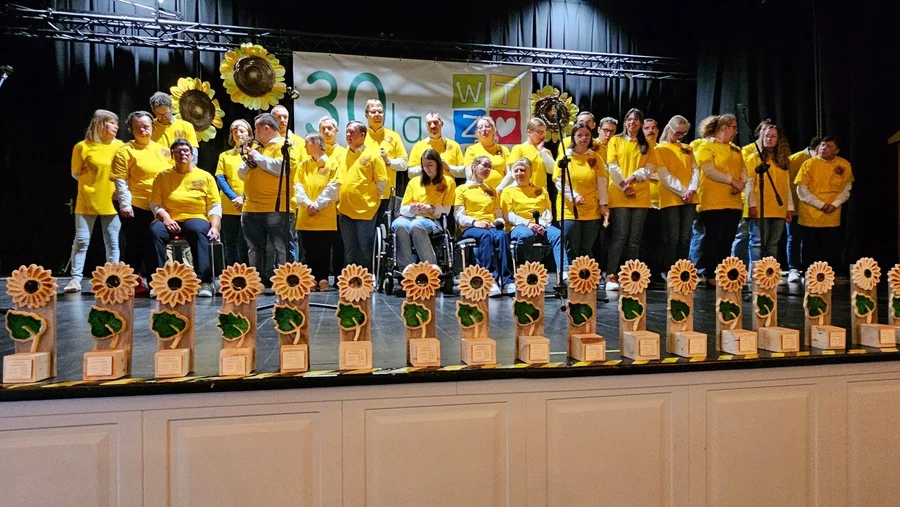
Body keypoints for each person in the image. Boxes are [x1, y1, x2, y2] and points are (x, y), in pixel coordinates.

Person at [110, 111, 173, 296]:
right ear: (131, 129)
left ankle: (155, 284)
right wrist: (125, 204)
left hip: (157, 205)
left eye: (145, 126)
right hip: (134, 204)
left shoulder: (163, 150)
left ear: (152, 127)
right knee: (135, 244)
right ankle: (130, 283)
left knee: (152, 243)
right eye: (137, 127)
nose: (142, 130)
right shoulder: (125, 150)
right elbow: (120, 180)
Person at [149, 138, 221, 297]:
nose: (182, 154)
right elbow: (155, 204)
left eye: (186, 151)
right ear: (172, 155)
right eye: (177, 151)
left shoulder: (205, 176)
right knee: (155, 231)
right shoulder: (162, 176)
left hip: (196, 217)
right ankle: (158, 282)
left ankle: (204, 282)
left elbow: (214, 205)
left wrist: (215, 226)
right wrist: (166, 218)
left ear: (192, 154)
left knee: (196, 230)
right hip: (169, 218)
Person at [64, 109, 124, 293]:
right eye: (112, 122)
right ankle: (75, 279)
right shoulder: (82, 147)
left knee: (112, 241)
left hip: (112, 200)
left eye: (116, 123)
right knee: (82, 240)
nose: (116, 127)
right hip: (88, 199)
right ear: (100, 123)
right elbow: (75, 173)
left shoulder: (120, 146)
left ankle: (112, 278)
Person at [238, 112, 301, 278]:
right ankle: (257, 281)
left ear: (266, 128)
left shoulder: (286, 146)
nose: (254, 133)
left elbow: (284, 168)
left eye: (256, 129)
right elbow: (240, 174)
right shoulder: (258, 148)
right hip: (251, 207)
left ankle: (286, 282)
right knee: (254, 248)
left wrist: (258, 158)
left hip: (276, 207)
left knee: (282, 248)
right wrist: (249, 161)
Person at [605, 108, 659, 291]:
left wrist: (634, 177)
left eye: (636, 119)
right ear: (625, 122)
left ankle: (631, 275)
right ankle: (611, 274)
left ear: (641, 123)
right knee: (620, 236)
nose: (632, 122)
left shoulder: (647, 144)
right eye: (629, 119)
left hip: (640, 195)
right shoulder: (616, 140)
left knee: (635, 239)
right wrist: (624, 186)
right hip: (620, 194)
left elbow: (649, 168)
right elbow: (612, 166)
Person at [695, 114, 747, 286]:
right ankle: (710, 274)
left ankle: (723, 273)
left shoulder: (735, 149)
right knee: (713, 238)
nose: (736, 131)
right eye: (734, 127)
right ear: (724, 128)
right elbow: (709, 170)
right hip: (713, 201)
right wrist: (732, 181)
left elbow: (744, 170)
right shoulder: (706, 146)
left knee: (728, 239)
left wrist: (741, 183)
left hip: (733, 201)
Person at [455, 156, 514, 295]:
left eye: (490, 167)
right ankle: (490, 279)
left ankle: (507, 281)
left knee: (502, 235)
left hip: (490, 225)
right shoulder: (462, 189)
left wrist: (496, 222)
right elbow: (458, 216)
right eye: (485, 165)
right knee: (485, 235)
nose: (488, 169)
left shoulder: (491, 190)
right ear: (474, 166)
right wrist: (475, 222)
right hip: (470, 227)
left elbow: (498, 215)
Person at [391, 148, 456, 273]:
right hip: (410, 217)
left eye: (430, 165)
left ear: (438, 164)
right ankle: (406, 269)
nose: (427, 168)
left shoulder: (448, 182)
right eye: (424, 165)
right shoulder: (414, 182)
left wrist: (430, 208)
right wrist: (412, 209)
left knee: (417, 225)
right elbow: (403, 209)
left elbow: (446, 210)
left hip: (431, 219)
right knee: (399, 224)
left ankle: (431, 269)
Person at [555, 121, 608, 274]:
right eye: (579, 135)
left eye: (587, 135)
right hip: (570, 209)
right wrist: (574, 197)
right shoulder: (565, 157)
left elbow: (602, 183)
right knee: (573, 246)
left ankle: (586, 277)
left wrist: (603, 205)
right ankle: (573, 277)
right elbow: (559, 181)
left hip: (591, 209)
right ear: (573, 137)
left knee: (587, 247)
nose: (583, 138)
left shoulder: (596, 158)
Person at [795, 136, 852, 271]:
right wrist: (822, 205)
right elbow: (802, 190)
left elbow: (847, 188)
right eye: (822, 145)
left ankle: (829, 276)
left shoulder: (844, 164)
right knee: (810, 249)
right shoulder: (809, 164)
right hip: (810, 215)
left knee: (829, 249)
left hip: (832, 215)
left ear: (837, 150)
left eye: (829, 146)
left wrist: (835, 204)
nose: (824, 148)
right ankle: (810, 275)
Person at [336, 120, 387, 270]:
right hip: (345, 210)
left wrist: (369, 199)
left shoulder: (373, 156)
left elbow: (381, 184)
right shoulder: (342, 156)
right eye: (347, 132)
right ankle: (351, 280)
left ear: (362, 135)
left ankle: (367, 279)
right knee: (349, 249)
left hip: (365, 211)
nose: (348, 135)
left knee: (365, 248)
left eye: (352, 132)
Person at [656, 115, 700, 278]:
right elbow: (664, 174)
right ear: (669, 129)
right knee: (672, 237)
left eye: (683, 133)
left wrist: (692, 189)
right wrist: (683, 191)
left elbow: (696, 170)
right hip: (671, 197)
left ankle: (683, 269)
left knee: (685, 237)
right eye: (678, 132)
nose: (680, 136)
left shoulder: (688, 148)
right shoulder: (660, 149)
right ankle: (670, 269)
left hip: (690, 197)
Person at [744, 124, 794, 265]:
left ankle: (770, 273)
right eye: (767, 136)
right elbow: (749, 183)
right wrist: (751, 205)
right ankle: (756, 273)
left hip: (778, 207)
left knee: (773, 244)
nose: (769, 139)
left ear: (779, 139)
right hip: (760, 207)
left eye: (773, 136)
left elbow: (786, 185)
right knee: (757, 242)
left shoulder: (782, 160)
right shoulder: (754, 158)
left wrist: (789, 207)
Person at [295, 133, 339, 291]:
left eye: (307, 143)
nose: (304, 146)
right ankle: (311, 278)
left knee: (324, 249)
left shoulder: (332, 164)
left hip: (325, 215)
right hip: (306, 215)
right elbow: (297, 186)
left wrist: (317, 205)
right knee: (309, 250)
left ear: (317, 144)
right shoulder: (303, 165)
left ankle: (323, 278)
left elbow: (333, 188)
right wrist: (308, 204)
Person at [501, 157, 562, 271]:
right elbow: (508, 215)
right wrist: (528, 224)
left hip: (541, 225)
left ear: (530, 172)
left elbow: (547, 212)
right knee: (526, 235)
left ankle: (564, 271)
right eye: (516, 171)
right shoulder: (508, 191)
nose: (519, 173)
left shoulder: (541, 190)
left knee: (558, 234)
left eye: (522, 170)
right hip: (518, 226)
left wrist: (541, 224)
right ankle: (523, 268)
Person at [271, 105, 307, 262]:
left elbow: (305, 168)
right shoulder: (267, 142)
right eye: (278, 117)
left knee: (290, 238)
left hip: (291, 198)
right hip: (270, 198)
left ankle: (293, 271)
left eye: (285, 117)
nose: (282, 120)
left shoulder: (299, 142)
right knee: (272, 240)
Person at [215, 119, 251, 266]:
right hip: (230, 206)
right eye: (235, 131)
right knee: (230, 241)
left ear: (249, 133)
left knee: (247, 242)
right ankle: (233, 272)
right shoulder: (225, 156)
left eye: (242, 131)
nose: (238, 134)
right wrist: (234, 198)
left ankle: (248, 272)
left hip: (249, 205)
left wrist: (243, 197)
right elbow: (220, 178)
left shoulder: (254, 155)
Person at [364, 99, 409, 216]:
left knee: (386, 227)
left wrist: (388, 161)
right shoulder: (361, 136)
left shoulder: (394, 136)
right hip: (365, 195)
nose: (377, 114)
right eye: (373, 112)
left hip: (387, 194)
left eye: (380, 112)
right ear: (366, 115)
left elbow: (404, 164)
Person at [786, 136, 822, 282]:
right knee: (794, 237)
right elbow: (786, 184)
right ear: (816, 148)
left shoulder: (820, 162)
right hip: (795, 206)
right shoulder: (794, 159)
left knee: (809, 239)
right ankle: (793, 268)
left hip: (812, 208)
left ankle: (808, 268)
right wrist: (788, 206)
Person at [688, 115, 717, 283]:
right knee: (700, 233)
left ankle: (710, 270)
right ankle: (696, 270)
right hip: (700, 196)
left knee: (712, 236)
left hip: (718, 199)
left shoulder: (730, 147)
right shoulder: (697, 145)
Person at [319, 116, 347, 281]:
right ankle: (321, 278)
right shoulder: (316, 153)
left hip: (338, 207)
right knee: (321, 245)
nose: (327, 132)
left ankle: (338, 277)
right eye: (323, 129)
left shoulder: (344, 153)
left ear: (336, 131)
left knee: (339, 244)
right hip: (320, 208)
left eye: (330, 128)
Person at [407, 111, 466, 180]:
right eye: (429, 123)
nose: (432, 126)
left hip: (448, 186)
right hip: (425, 186)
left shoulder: (454, 146)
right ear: (426, 126)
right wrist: (425, 166)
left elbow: (463, 173)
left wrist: (448, 167)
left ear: (442, 123)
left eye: (435, 122)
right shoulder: (418, 147)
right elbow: (410, 174)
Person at [641, 117, 665, 280]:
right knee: (642, 240)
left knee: (659, 240)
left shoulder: (662, 149)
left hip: (662, 202)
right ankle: (642, 273)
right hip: (642, 202)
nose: (650, 131)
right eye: (646, 128)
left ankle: (656, 273)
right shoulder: (640, 149)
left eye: (653, 128)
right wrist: (656, 175)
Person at [463, 116, 512, 191]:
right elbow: (469, 175)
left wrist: (499, 189)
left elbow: (510, 173)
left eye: (487, 126)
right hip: (479, 191)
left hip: (501, 191)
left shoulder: (503, 150)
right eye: (480, 127)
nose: (484, 129)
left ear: (494, 130)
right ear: (477, 132)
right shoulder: (471, 150)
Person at [508, 118, 556, 190]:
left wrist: (541, 151)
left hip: (540, 192)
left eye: (543, 132)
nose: (541, 135)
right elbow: (513, 172)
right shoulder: (518, 148)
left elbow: (552, 170)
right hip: (523, 191)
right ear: (529, 132)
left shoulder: (545, 151)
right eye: (538, 132)